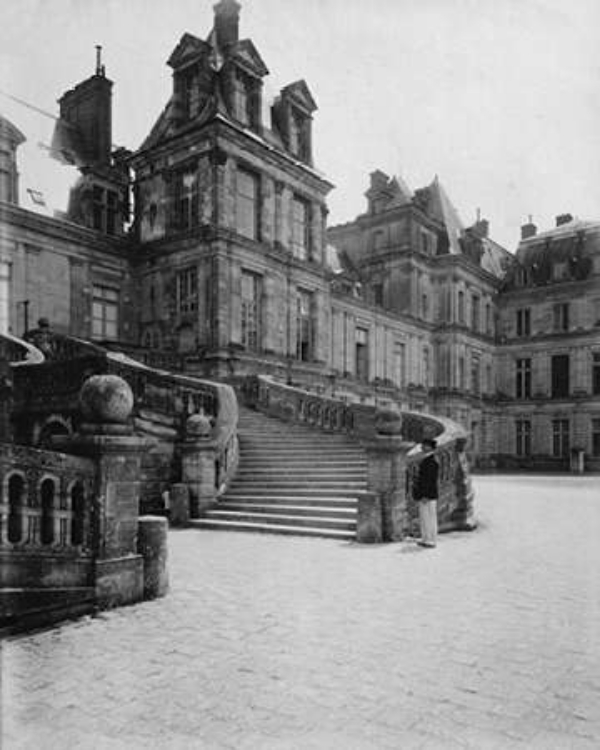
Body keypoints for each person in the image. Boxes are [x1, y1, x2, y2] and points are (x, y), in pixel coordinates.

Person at [413, 438, 439, 548]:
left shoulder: (432, 461)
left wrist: (426, 495)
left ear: (430, 447)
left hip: (428, 495)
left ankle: (431, 540)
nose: (422, 447)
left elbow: (430, 480)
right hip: (424, 494)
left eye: (425, 445)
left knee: (429, 517)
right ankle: (425, 538)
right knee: (424, 517)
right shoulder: (427, 459)